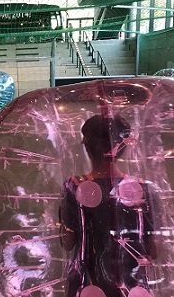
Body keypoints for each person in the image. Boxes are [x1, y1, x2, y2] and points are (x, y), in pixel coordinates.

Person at [59, 114, 161, 297]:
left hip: (87, 283)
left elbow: (67, 242)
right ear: (121, 148)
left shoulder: (75, 186)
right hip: (133, 286)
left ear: (87, 147)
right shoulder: (145, 189)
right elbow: (154, 249)